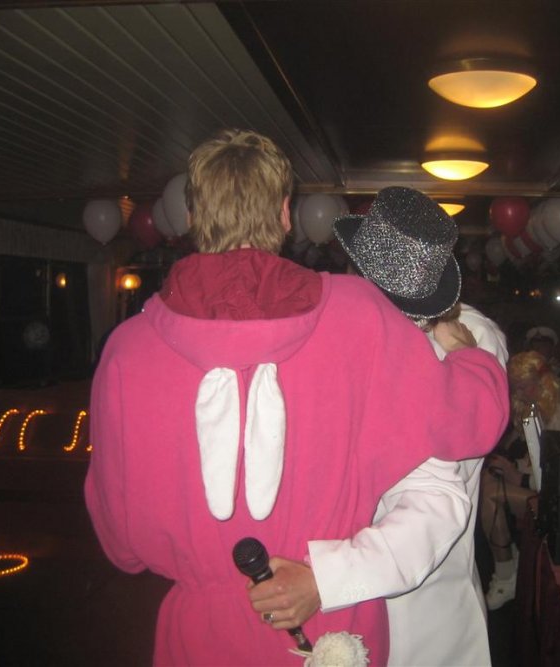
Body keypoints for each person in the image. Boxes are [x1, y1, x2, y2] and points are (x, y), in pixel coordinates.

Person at [83, 129, 509, 666]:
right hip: (328, 634)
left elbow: (121, 545)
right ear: (285, 214)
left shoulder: (127, 348)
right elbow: (469, 423)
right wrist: (473, 361)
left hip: (201, 637)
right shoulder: (358, 315)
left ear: (189, 217)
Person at [270, 186, 508, 667]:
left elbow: (435, 495)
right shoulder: (351, 332)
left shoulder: (469, 339)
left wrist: (326, 578)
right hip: (348, 587)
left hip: (425, 600)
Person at [480, 350, 560, 609]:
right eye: (517, 388)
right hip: (556, 490)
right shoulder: (544, 407)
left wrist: (519, 477)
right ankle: (507, 562)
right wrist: (513, 468)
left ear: (543, 382)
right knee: (488, 484)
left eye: (525, 386)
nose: (520, 394)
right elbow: (537, 460)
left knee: (491, 495)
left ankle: (506, 575)